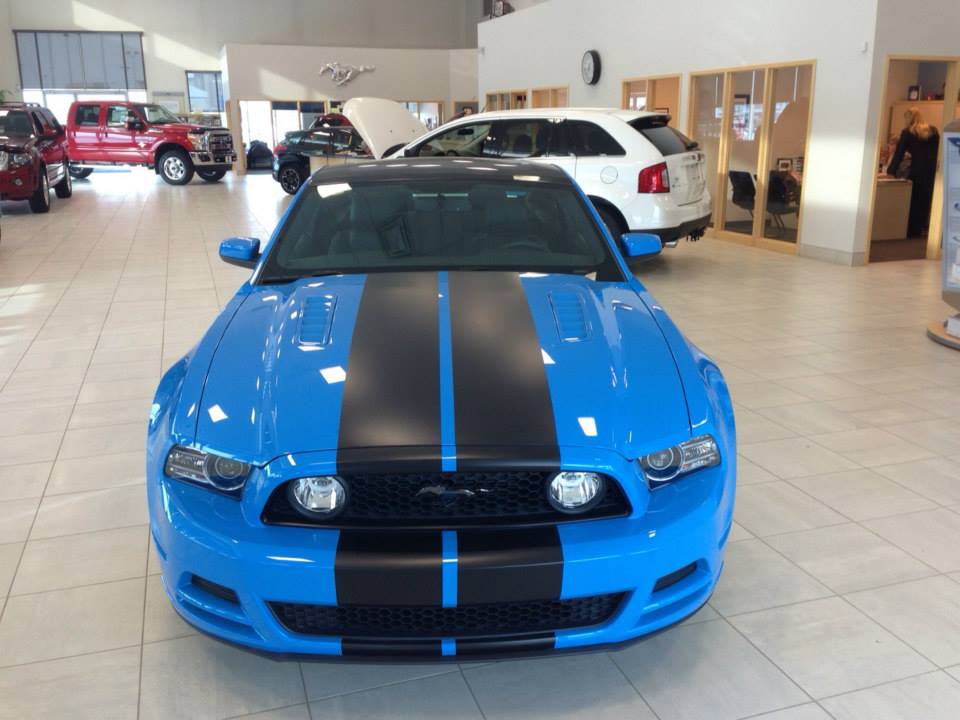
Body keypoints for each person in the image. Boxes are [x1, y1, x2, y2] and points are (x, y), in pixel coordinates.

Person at [887, 107, 940, 237]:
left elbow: (899, 154)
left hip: (917, 170)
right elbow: (936, 151)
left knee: (914, 200)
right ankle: (921, 228)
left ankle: (912, 230)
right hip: (933, 170)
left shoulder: (907, 132)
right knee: (925, 200)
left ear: (908, 118)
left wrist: (890, 172)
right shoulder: (933, 131)